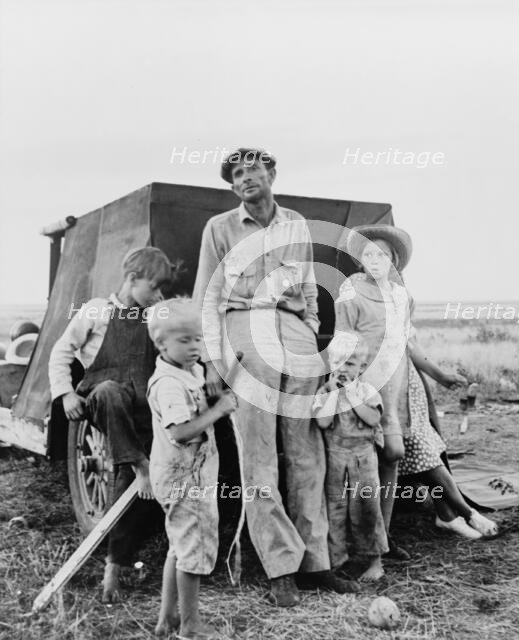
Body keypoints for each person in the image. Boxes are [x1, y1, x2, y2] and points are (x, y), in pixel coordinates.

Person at [193, 148, 358, 607]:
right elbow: (206, 298)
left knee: (308, 452)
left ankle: (317, 564)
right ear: (231, 186)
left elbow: (308, 288)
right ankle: (279, 567)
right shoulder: (219, 229)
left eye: (253, 169)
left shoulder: (296, 224)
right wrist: (210, 362)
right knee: (259, 457)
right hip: (245, 333)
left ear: (272, 173)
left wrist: (310, 339)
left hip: (295, 336)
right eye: (237, 174)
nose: (246, 178)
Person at [336, 225, 498, 542]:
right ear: (360, 260)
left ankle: (454, 515)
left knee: (419, 452)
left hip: (406, 388)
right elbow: (344, 344)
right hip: (371, 386)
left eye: (383, 254)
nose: (376, 259)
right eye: (369, 253)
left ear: (394, 260)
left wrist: (440, 375)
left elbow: (410, 345)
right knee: (387, 457)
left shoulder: (401, 296)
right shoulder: (351, 291)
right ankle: (459, 515)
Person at [48, 247, 175, 602]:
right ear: (132, 280)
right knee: (110, 392)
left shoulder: (154, 317)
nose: (158, 296)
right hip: (102, 403)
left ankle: (113, 569)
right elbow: (61, 351)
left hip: (141, 413)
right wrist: (65, 395)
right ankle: (139, 463)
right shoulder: (96, 310)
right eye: (153, 287)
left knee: (129, 485)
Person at [147, 298, 237, 639]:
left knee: (178, 546)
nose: (194, 347)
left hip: (184, 475)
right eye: (184, 340)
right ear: (161, 343)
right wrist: (220, 410)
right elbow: (181, 432)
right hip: (186, 480)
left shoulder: (190, 371)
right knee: (193, 551)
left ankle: (166, 618)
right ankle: (190, 627)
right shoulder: (169, 384)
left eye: (198, 339)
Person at [313, 337, 388, 582]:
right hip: (335, 459)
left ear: (362, 367)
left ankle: (375, 560)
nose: (343, 369)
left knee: (367, 508)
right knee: (335, 510)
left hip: (363, 459)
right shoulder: (325, 393)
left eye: (350, 363)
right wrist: (335, 394)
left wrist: (353, 397)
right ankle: (338, 561)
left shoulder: (367, 391)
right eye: (338, 362)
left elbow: (373, 420)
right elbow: (323, 422)